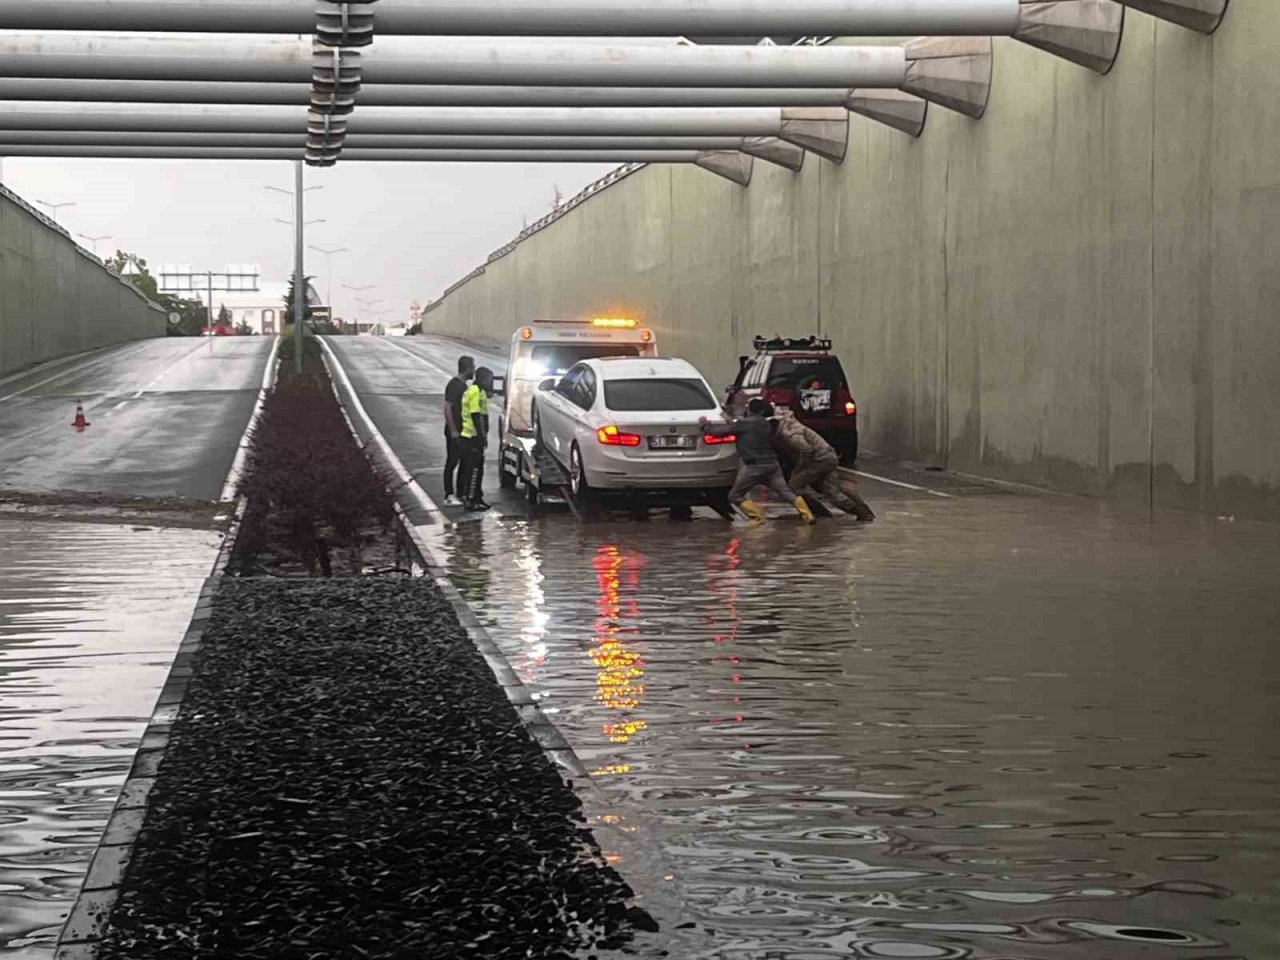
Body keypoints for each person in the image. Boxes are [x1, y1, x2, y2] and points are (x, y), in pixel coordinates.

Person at [701, 398, 815, 525]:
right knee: (786, 493)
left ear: (749, 409)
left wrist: (705, 425)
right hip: (773, 465)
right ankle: (808, 515)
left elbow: (720, 431)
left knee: (734, 495)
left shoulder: (744, 423)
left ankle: (757, 518)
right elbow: (737, 426)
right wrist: (732, 421)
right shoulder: (765, 423)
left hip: (754, 467)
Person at [773, 406, 875, 521]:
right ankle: (863, 510)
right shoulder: (790, 423)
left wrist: (800, 469)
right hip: (828, 456)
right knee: (834, 489)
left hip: (820, 459)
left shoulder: (789, 433)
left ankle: (819, 511)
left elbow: (806, 450)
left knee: (795, 485)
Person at [459, 366, 494, 512]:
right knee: (474, 470)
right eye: (489, 380)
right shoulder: (475, 392)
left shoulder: (478, 391)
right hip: (472, 437)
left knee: (476, 469)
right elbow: (476, 415)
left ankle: (476, 498)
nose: (490, 383)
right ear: (482, 379)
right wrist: (481, 436)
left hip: (471, 436)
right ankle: (472, 500)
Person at [442, 355, 475, 506]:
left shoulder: (464, 386)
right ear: (468, 368)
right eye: (473, 367)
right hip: (455, 432)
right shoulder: (454, 385)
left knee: (465, 462)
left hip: (464, 432)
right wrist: (453, 430)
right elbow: (447, 408)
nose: (473, 371)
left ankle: (461, 493)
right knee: (452, 462)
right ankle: (448, 494)